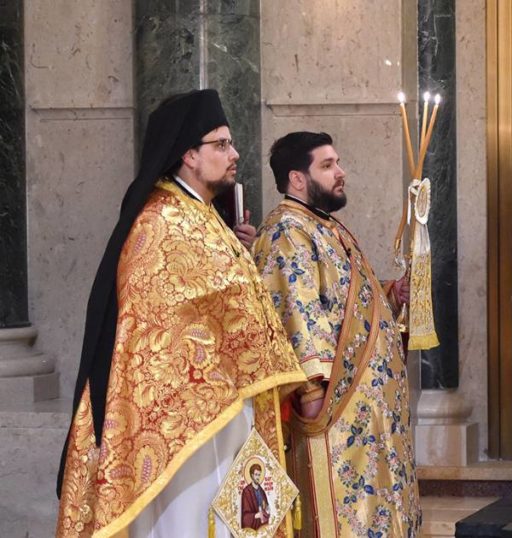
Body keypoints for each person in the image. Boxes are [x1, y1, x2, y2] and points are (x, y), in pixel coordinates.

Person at [55, 89, 306, 537]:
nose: (234, 154)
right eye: (222, 144)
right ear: (189, 154)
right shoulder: (161, 221)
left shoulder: (200, 214)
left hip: (225, 413)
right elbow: (161, 321)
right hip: (189, 431)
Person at [251, 131, 420, 537]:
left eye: (338, 162)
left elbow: (342, 304)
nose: (341, 172)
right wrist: (313, 396)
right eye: (327, 166)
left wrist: (389, 294)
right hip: (334, 416)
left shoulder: (325, 226)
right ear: (297, 178)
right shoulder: (287, 232)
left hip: (365, 416)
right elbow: (298, 314)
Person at [241, 463, 270, 530]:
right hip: (253, 526)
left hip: (263, 526)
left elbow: (267, 508)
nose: (258, 477)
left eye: (259, 475)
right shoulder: (246, 491)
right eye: (256, 475)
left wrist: (267, 510)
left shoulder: (261, 491)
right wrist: (256, 515)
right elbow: (245, 517)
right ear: (252, 475)